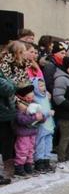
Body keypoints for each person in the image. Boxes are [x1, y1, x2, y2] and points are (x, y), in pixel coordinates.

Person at [0, 41, 32, 182]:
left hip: (11, 107)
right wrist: (18, 101)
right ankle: (10, 167)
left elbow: (24, 85)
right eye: (23, 51)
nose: (25, 53)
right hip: (6, 107)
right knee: (6, 139)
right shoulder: (4, 65)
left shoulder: (23, 66)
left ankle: (13, 166)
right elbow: (8, 87)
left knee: (11, 138)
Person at [13, 84, 44, 177]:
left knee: (31, 149)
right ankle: (19, 167)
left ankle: (28, 165)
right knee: (22, 150)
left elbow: (41, 116)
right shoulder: (20, 107)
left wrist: (42, 118)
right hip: (23, 133)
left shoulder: (34, 105)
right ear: (24, 97)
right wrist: (35, 117)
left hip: (32, 132)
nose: (31, 99)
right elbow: (21, 120)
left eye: (32, 97)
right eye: (29, 97)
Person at [32, 77, 56, 173]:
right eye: (40, 86)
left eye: (44, 85)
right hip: (41, 124)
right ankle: (39, 162)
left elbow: (47, 105)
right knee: (40, 144)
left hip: (49, 124)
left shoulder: (46, 95)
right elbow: (37, 112)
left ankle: (46, 161)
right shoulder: (35, 98)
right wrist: (47, 113)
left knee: (48, 143)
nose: (43, 87)